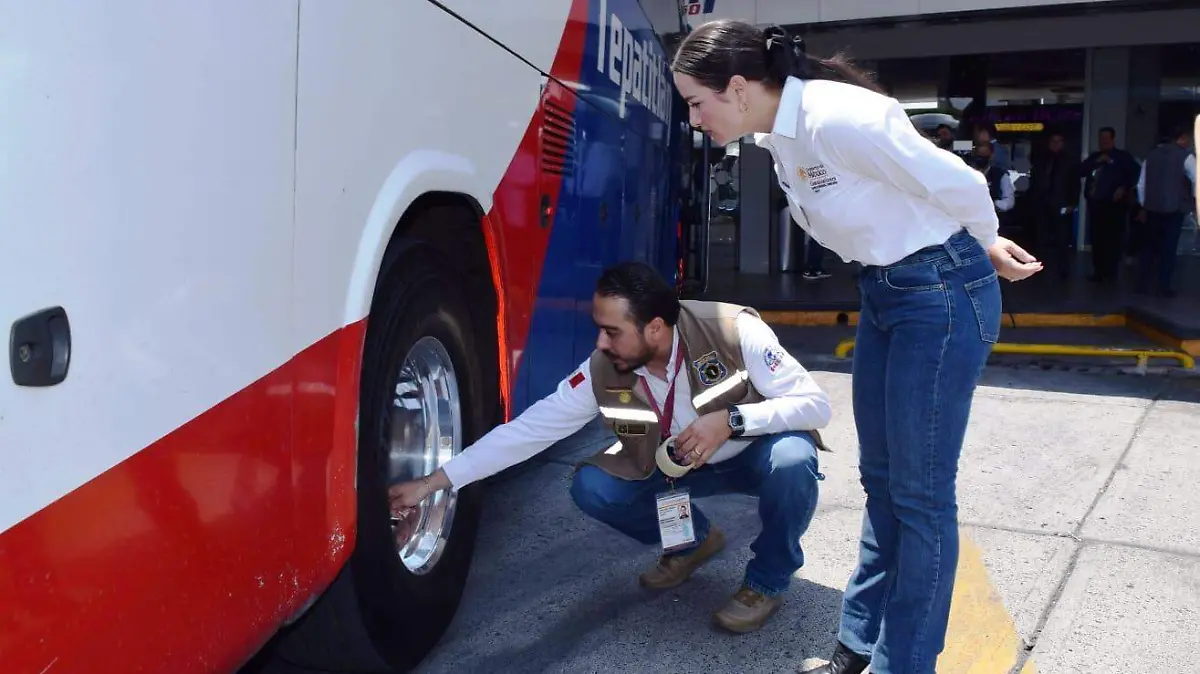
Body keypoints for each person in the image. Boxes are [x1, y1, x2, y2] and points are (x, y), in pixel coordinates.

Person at [669, 20, 1042, 674]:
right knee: (881, 481)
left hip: (939, 293)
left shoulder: (838, 119)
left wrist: (981, 247)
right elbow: (903, 195)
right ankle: (859, 643)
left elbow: (960, 185)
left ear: (737, 87)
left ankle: (905, 664)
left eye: (697, 103)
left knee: (921, 496)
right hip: (888, 289)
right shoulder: (777, 129)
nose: (694, 119)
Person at [388, 261, 833, 634]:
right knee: (594, 486)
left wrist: (733, 421)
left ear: (655, 328)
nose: (601, 343)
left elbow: (816, 405)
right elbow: (528, 431)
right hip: (672, 467)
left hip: (749, 455)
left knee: (793, 459)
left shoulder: (735, 331)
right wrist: (431, 483)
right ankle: (692, 542)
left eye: (612, 331)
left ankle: (767, 581)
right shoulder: (604, 368)